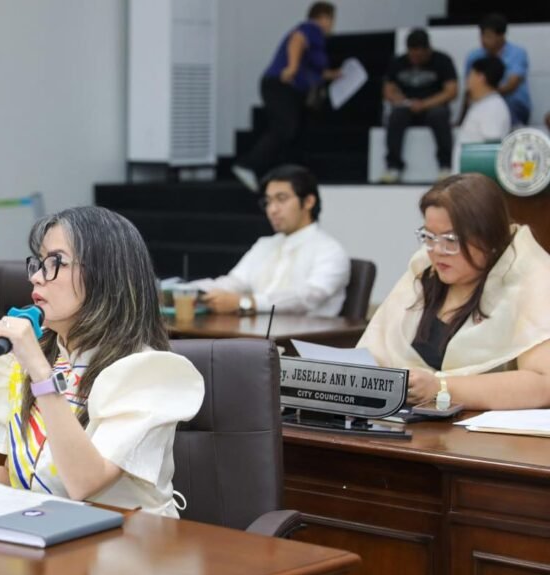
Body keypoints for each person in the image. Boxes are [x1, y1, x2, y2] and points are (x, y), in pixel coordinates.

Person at [0, 206, 204, 516]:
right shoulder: (35, 359)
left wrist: (41, 374)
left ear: (105, 276)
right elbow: (22, 482)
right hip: (51, 529)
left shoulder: (144, 372)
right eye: (38, 263)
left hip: (130, 539)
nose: (35, 277)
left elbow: (84, 482)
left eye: (55, 263)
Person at [359, 174, 550, 410]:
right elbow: (374, 352)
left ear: (489, 235)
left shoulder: (531, 278)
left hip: (479, 428)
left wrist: (441, 388)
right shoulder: (425, 270)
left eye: (451, 239)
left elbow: (543, 383)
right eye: (428, 237)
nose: (437, 250)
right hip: (405, 419)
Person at [194, 165, 350, 316]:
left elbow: (308, 297)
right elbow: (234, 283)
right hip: (254, 331)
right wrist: (189, 290)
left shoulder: (330, 251)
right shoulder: (264, 245)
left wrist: (245, 303)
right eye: (268, 201)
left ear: (308, 201)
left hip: (304, 333)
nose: (272, 209)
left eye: (281, 199)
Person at [232, 2, 337, 193]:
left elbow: (316, 70)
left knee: (293, 132)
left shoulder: (317, 43)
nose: (332, 25)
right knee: (285, 127)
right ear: (323, 17)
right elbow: (297, 40)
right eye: (331, 20)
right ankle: (248, 165)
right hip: (280, 85)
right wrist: (292, 67)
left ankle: (280, 176)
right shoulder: (311, 28)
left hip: (288, 89)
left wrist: (336, 75)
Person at [380, 29, 458, 184]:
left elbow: (451, 91)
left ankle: (445, 165)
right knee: (395, 116)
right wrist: (400, 99)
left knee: (439, 115)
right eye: (412, 55)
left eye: (420, 56)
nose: (415, 60)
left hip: (433, 105)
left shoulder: (442, 61)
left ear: (428, 50)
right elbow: (387, 90)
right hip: (407, 106)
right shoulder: (398, 62)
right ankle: (393, 166)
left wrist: (425, 104)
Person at [463, 13, 530, 126]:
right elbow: (469, 88)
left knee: (500, 107)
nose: (483, 40)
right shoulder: (474, 56)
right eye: (482, 35)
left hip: (513, 103)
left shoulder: (517, 53)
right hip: (481, 103)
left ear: (501, 36)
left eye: (488, 36)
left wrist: (487, 96)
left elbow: (512, 85)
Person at [457, 56, 511, 146]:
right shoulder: (484, 104)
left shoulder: (492, 107)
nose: (467, 79)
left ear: (481, 77)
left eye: (471, 74)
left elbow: (491, 146)